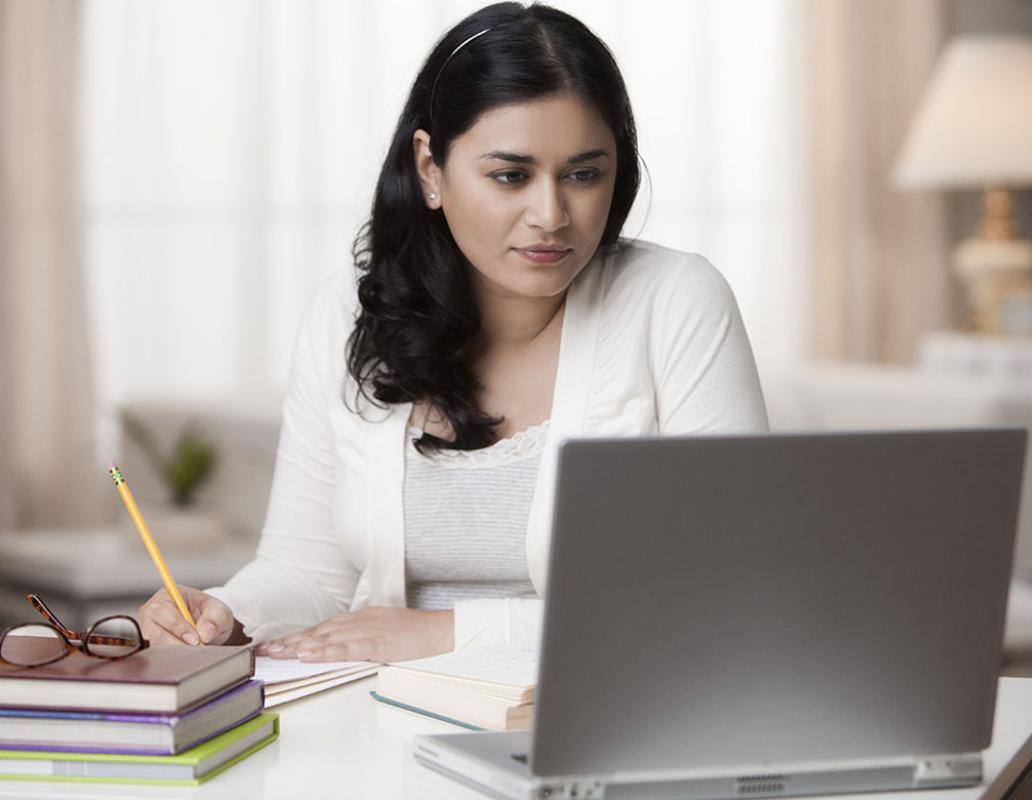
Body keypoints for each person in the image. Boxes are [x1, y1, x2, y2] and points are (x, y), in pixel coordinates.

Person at [137, 1, 768, 663]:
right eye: (510, 176)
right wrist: (223, 615)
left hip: (595, 724)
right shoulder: (348, 314)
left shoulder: (676, 302)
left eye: (585, 174)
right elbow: (307, 573)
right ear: (431, 169)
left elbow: (730, 590)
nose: (551, 215)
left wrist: (450, 635)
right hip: (378, 723)